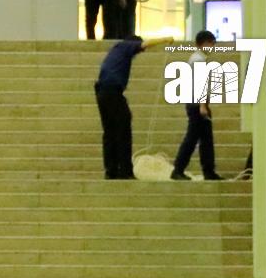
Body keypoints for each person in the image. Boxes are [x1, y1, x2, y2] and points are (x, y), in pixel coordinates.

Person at [94, 34, 173, 180]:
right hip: (112, 92)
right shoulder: (126, 46)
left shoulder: (116, 49)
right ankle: (125, 171)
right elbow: (144, 44)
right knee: (123, 130)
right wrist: (164, 39)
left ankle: (111, 171)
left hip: (102, 92)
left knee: (110, 132)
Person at [171, 31, 224, 181]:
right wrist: (202, 106)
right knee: (192, 138)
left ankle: (208, 171)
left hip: (198, 103)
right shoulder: (198, 60)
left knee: (206, 139)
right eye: (211, 43)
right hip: (197, 105)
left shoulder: (198, 58)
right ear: (204, 43)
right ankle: (178, 169)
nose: (213, 46)